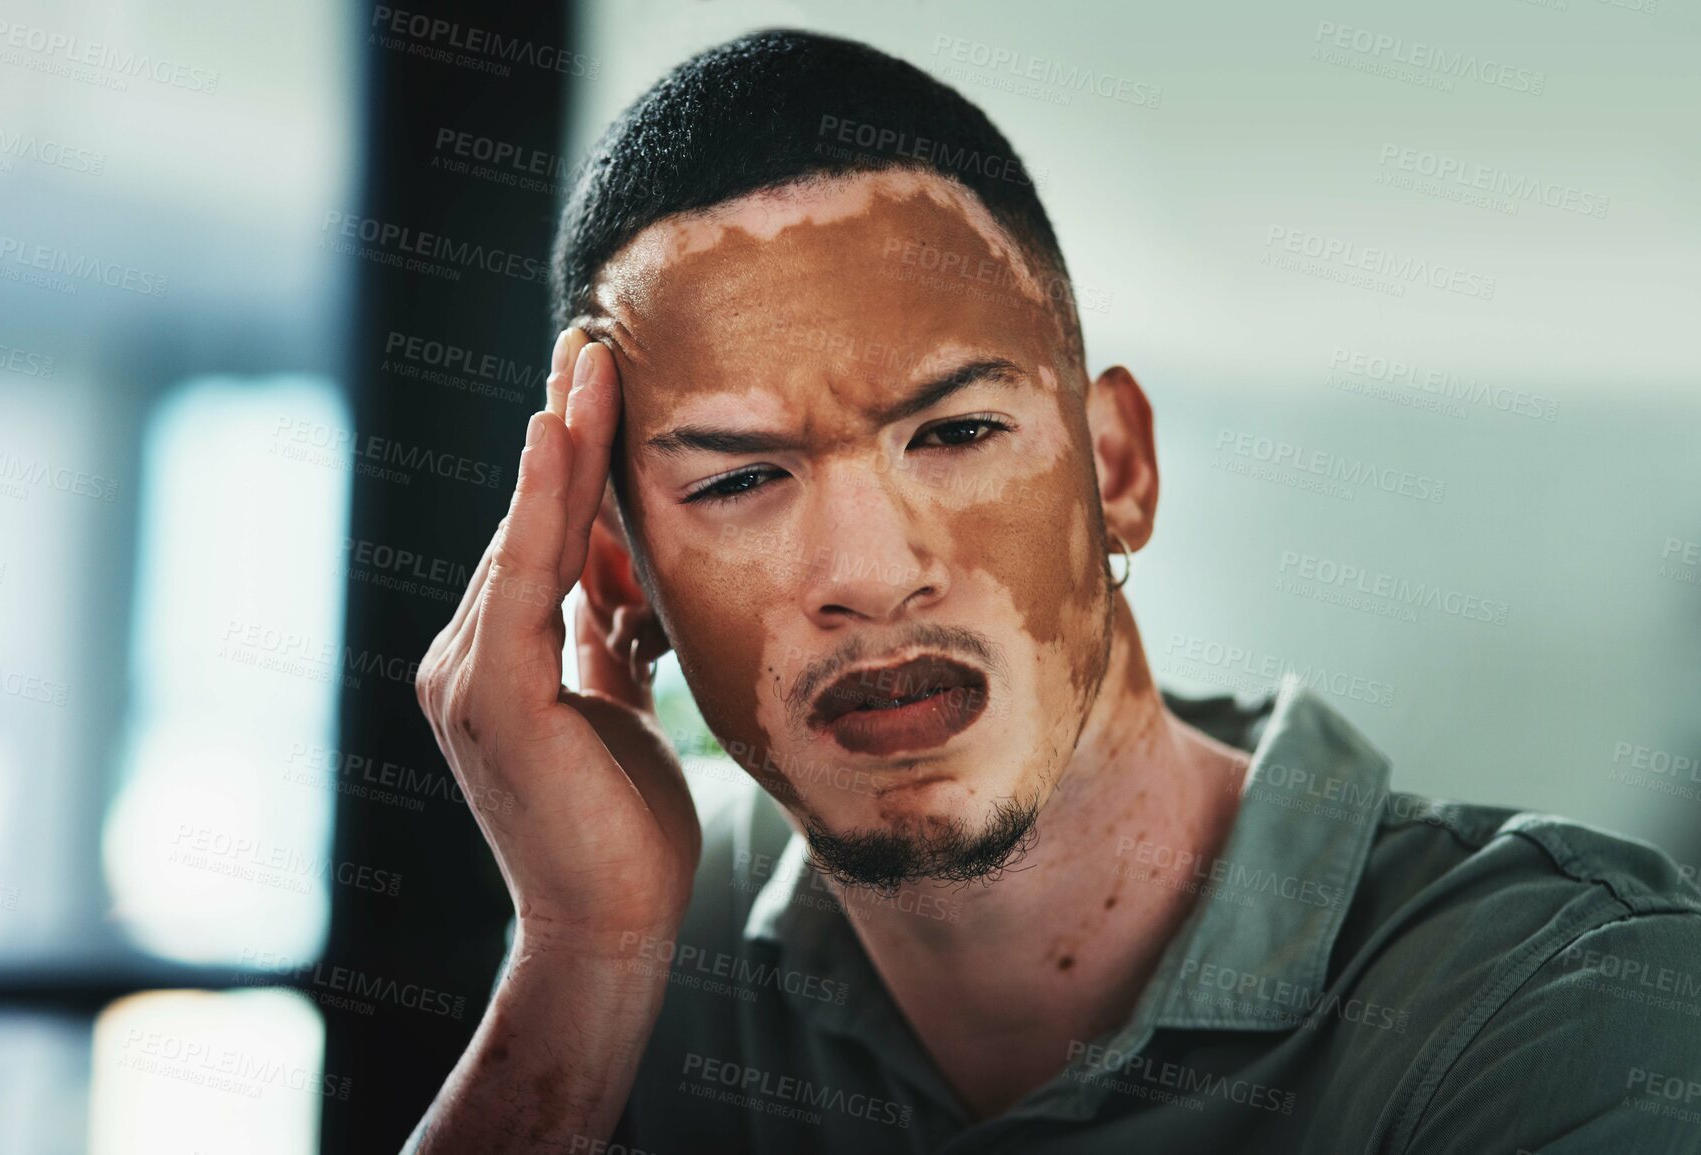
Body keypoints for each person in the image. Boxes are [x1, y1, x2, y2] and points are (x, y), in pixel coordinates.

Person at [404, 29, 1701, 1154]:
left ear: (1119, 468)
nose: (867, 572)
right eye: (742, 479)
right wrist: (581, 958)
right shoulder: (634, 963)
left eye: (958, 432)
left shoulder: (1563, 997)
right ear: (619, 573)